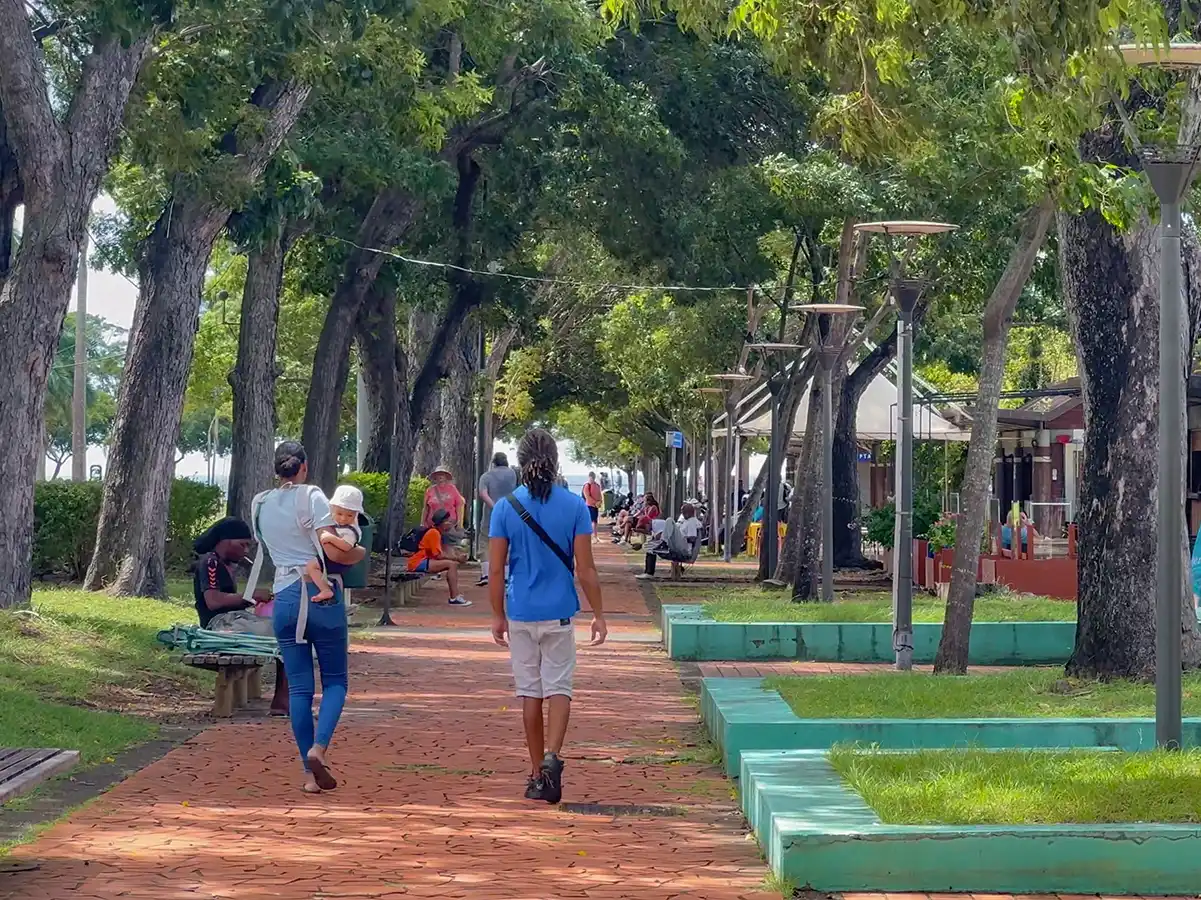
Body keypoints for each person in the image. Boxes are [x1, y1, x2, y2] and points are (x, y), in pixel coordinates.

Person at [489, 428, 607, 804]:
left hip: (521, 610)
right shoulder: (573, 506)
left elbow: (495, 570)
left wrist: (497, 615)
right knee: (559, 688)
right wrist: (599, 614)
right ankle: (554, 755)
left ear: (521, 463)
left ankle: (537, 771)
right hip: (559, 612)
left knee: (529, 693)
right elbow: (586, 569)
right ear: (555, 461)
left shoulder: (506, 507)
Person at [251, 441, 365, 794]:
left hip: (284, 597)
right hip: (320, 595)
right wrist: (359, 550)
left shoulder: (260, 503)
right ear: (303, 467)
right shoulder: (312, 495)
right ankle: (319, 748)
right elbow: (331, 547)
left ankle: (309, 774)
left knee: (299, 689)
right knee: (335, 682)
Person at [192, 517, 288, 716]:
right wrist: (250, 596)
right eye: (242, 545)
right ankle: (283, 701)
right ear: (226, 541)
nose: (245, 551)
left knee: (287, 629)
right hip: (220, 624)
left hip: (235, 619)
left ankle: (283, 698)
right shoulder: (210, 562)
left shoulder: (227, 564)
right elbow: (213, 600)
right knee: (285, 633)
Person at [408, 509, 472, 606]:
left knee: (452, 564)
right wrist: (456, 559)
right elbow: (438, 555)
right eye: (448, 521)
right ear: (443, 523)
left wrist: (458, 556)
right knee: (451, 565)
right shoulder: (434, 533)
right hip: (418, 562)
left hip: (423, 561)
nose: (450, 523)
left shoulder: (439, 533)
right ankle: (454, 597)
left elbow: (445, 551)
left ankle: (455, 596)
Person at [478, 452, 518, 587]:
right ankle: (506, 576)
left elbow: (483, 494)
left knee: (485, 541)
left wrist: (495, 507)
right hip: (510, 511)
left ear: (493, 462)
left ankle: (485, 574)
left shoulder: (486, 476)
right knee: (508, 541)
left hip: (491, 513)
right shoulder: (512, 474)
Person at [423, 465, 466, 543]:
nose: (440, 476)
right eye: (438, 474)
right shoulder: (430, 490)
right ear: (435, 477)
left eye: (442, 474)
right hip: (433, 525)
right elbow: (426, 508)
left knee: (449, 545)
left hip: (448, 524)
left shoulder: (452, 489)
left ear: (446, 476)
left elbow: (459, 505)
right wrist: (422, 523)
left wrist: (460, 523)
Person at [582, 471, 603, 543]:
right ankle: (590, 537)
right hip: (589, 506)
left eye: (593, 478)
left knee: (595, 521)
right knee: (590, 521)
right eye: (591, 478)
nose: (592, 479)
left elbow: (600, 495)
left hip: (596, 506)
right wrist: (595, 502)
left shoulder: (597, 485)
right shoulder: (587, 486)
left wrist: (600, 502)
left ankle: (596, 536)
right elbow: (587, 497)